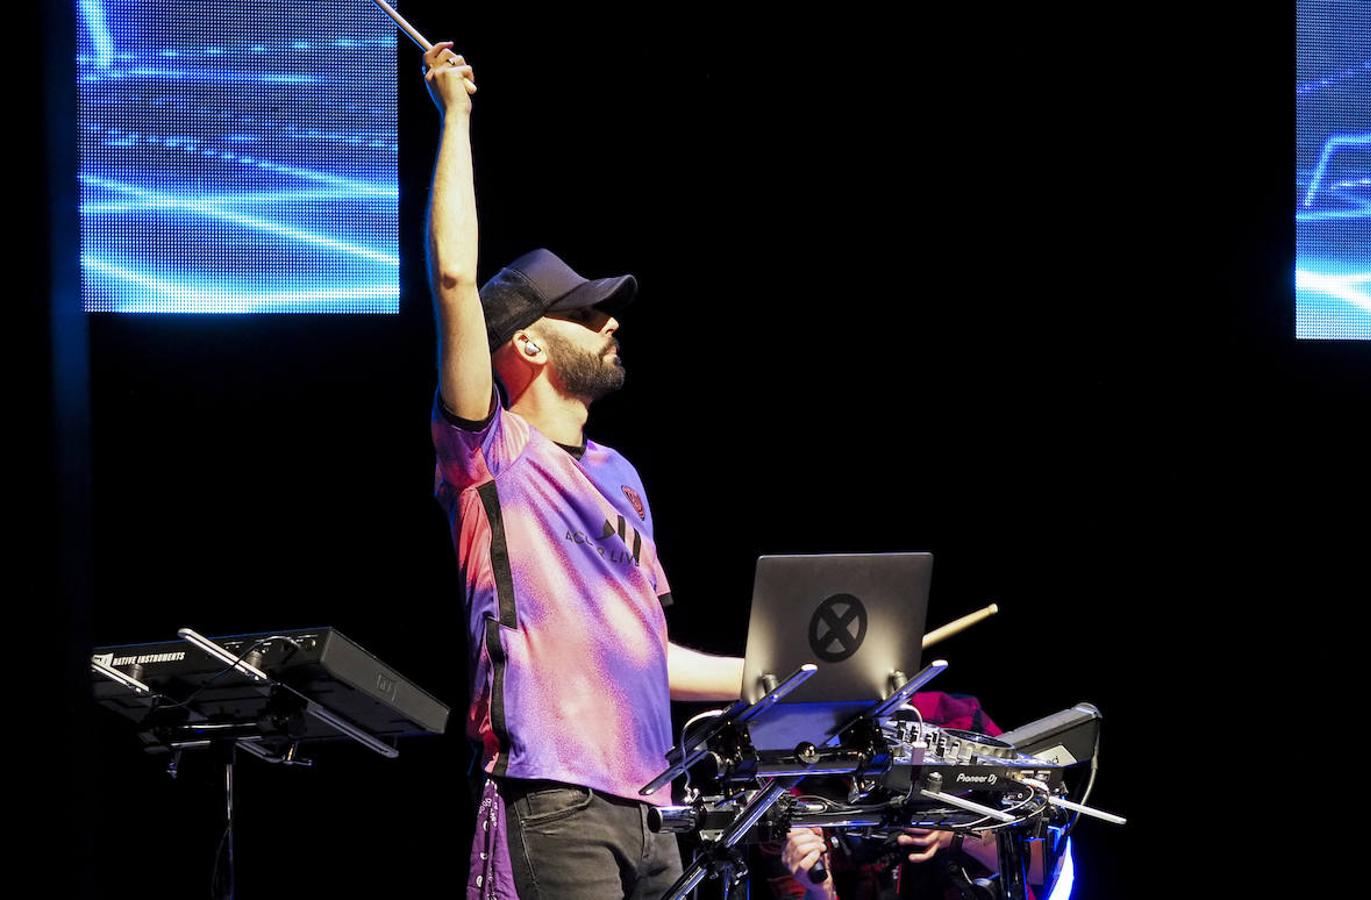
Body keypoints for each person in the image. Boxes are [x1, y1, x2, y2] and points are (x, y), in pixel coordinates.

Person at [420, 40, 745, 900]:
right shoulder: (487, 454)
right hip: (553, 801)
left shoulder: (623, 474)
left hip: (655, 811)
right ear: (526, 341)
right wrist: (455, 115)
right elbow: (455, 278)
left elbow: (645, 653)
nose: (610, 324)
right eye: (587, 312)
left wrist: (777, 674)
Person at [759, 692, 1072, 900]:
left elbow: (1042, 867)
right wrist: (820, 891)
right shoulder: (786, 779)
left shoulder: (955, 721)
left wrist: (957, 834)